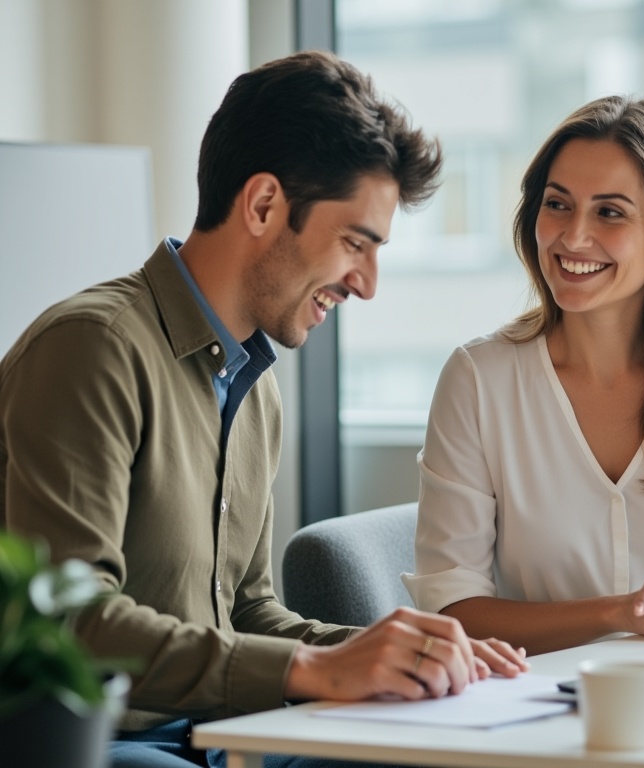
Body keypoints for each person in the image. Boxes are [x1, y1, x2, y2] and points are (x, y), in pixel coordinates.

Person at [0, 51, 527, 768]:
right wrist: (310, 672)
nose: (367, 285)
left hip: (224, 737)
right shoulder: (93, 348)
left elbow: (245, 612)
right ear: (263, 205)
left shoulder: (255, 384)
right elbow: (68, 619)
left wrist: (389, 649)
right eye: (354, 243)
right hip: (107, 744)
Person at [403, 95, 644, 656]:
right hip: (526, 712)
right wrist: (620, 613)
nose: (573, 238)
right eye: (557, 204)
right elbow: (453, 608)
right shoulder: (478, 380)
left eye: (610, 212)